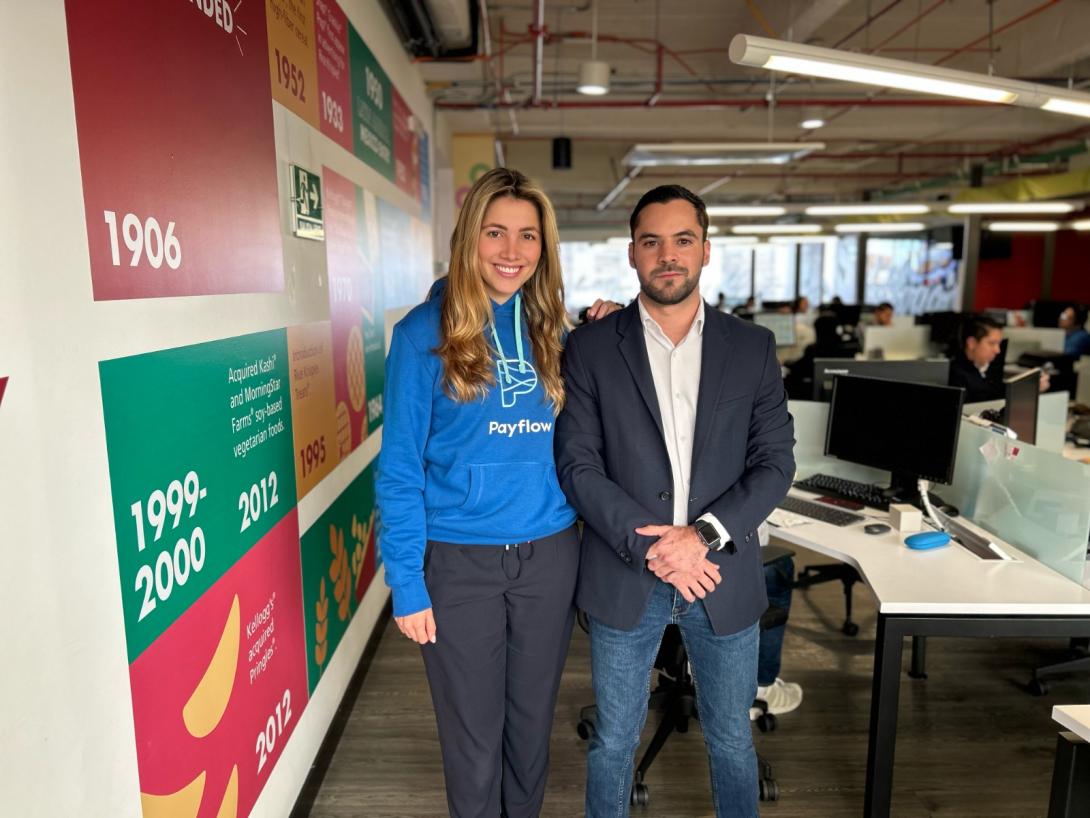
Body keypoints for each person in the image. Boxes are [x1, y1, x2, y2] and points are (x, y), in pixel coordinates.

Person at [555, 184, 796, 818]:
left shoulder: (753, 347)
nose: (669, 255)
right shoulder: (590, 347)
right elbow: (578, 465)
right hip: (624, 572)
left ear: (706, 251)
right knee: (612, 742)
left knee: (732, 742)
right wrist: (655, 545)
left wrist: (702, 537)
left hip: (720, 572)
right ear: (631, 253)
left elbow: (775, 464)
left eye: (683, 240)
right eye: (652, 241)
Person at [377, 167, 591, 818]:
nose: (511, 251)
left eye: (528, 236)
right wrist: (407, 583)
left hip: (548, 556)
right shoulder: (422, 336)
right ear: (469, 239)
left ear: (543, 247)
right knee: (473, 738)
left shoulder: (554, 330)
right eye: (495, 232)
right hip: (459, 560)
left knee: (529, 731)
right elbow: (399, 471)